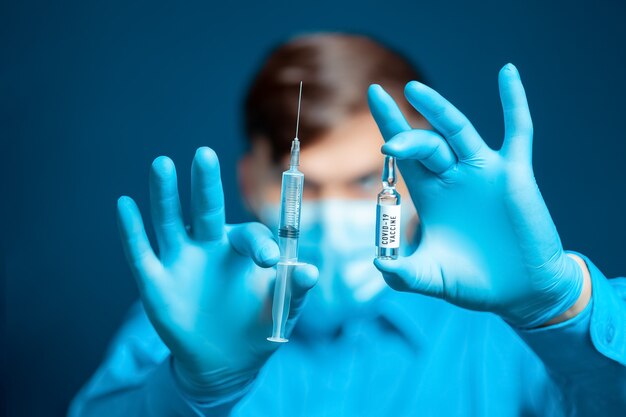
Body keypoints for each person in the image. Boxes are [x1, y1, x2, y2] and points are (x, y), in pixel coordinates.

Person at [68, 33, 626, 416]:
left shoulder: (503, 332)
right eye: (303, 186)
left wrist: (562, 309)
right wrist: (187, 391)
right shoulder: (187, 322)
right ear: (250, 183)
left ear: (414, 178)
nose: (333, 218)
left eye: (365, 182)